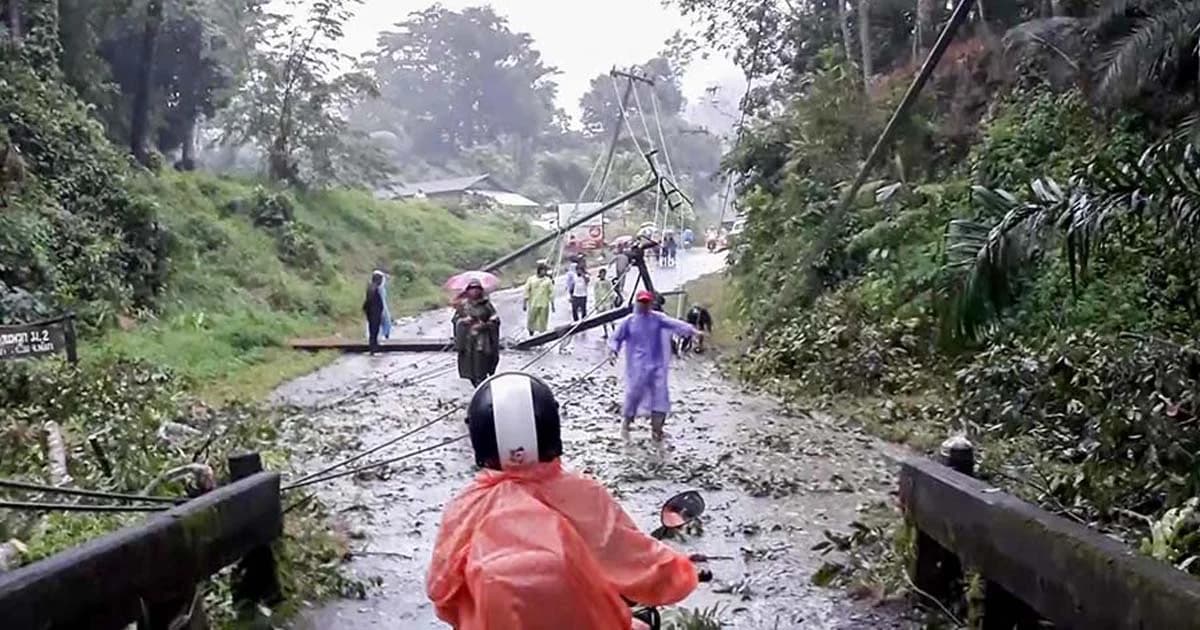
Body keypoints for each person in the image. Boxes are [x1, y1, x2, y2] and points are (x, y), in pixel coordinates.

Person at [426, 372, 699, 630]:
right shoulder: (585, 496)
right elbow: (647, 568)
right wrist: (689, 572)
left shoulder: (464, 507)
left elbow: (440, 593)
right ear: (551, 430)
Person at [609, 291, 701, 441]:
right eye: (641, 302)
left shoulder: (657, 319)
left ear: (651, 304)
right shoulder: (629, 321)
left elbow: (675, 324)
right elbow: (616, 338)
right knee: (633, 396)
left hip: (657, 366)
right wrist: (613, 351)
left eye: (646, 303)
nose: (644, 305)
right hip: (637, 367)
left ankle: (657, 431)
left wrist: (693, 330)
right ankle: (626, 425)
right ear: (637, 303)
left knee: (660, 397)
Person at [453, 279, 500, 387]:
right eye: (472, 289)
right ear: (468, 291)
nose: (474, 291)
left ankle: (481, 385)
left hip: (482, 340)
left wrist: (485, 325)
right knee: (470, 368)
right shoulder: (463, 306)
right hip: (467, 341)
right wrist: (463, 321)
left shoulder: (486, 304)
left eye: (477, 289)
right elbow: (455, 320)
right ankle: (476, 384)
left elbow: (495, 318)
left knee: (481, 367)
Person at [523, 263, 555, 336]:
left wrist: (553, 305)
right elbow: (526, 291)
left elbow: (551, 293)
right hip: (533, 304)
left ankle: (542, 335)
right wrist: (524, 303)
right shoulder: (531, 279)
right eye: (543, 270)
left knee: (543, 321)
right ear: (539, 271)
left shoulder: (548, 281)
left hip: (544, 304)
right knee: (531, 320)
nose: (545, 272)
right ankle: (531, 334)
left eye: (545, 271)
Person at [362, 270, 388, 355]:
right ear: (378, 279)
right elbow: (370, 301)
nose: (381, 281)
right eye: (380, 279)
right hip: (374, 312)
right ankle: (373, 349)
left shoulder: (371, 287)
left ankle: (374, 347)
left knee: (373, 330)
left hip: (372, 312)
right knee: (374, 331)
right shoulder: (374, 288)